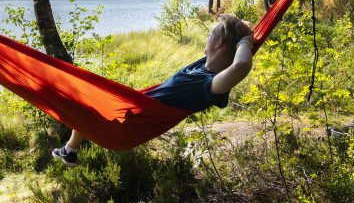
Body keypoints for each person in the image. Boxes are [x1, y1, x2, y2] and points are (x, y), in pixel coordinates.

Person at [52, 15, 255, 166]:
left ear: (218, 43)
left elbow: (241, 66)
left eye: (210, 34)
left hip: (130, 125)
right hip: (132, 108)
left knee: (70, 95)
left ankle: (69, 148)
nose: (207, 37)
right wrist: (242, 32)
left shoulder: (210, 84)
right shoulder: (203, 66)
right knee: (86, 101)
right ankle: (70, 150)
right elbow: (233, 52)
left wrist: (246, 40)